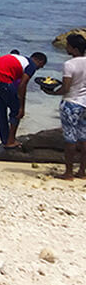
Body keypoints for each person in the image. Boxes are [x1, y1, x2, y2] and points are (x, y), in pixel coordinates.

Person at [0, 51, 47, 149]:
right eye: (41, 65)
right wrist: (22, 107)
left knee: (1, 108)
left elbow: (15, 84)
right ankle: (10, 141)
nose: (39, 68)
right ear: (39, 61)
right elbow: (22, 85)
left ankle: (5, 139)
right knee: (16, 111)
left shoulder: (20, 60)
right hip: (1, 78)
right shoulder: (31, 65)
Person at [53, 33, 86, 179]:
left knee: (70, 139)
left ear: (73, 48)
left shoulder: (69, 64)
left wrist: (51, 92)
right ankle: (82, 171)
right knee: (84, 138)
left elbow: (66, 88)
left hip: (71, 103)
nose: (66, 47)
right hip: (84, 103)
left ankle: (68, 172)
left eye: (67, 45)